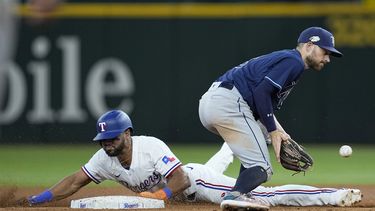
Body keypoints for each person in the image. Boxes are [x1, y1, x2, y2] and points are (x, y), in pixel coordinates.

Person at [24, 110, 361, 209]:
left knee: (258, 196)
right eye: (103, 139)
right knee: (221, 159)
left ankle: (332, 195)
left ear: (127, 133)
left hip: (195, 184)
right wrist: (39, 198)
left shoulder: (150, 146)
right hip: (190, 182)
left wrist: (162, 196)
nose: (107, 143)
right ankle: (251, 130)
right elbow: (75, 180)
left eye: (112, 137)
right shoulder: (103, 158)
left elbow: (182, 180)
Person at [198, 26, 343, 210]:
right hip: (229, 103)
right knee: (262, 168)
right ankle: (235, 195)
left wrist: (281, 132)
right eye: (325, 51)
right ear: (308, 45)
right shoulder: (294, 62)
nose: (327, 58)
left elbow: (259, 103)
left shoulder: (286, 58)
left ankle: (244, 193)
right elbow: (261, 93)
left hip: (213, 104)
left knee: (254, 148)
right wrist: (273, 132)